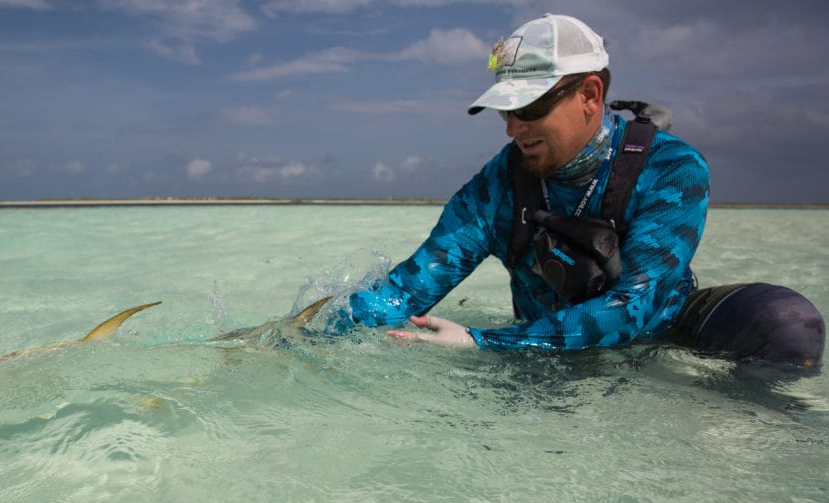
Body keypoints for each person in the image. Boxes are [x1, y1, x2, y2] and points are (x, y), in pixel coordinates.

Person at [332, 14, 824, 369]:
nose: (513, 129)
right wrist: (302, 332)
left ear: (590, 95)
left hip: (665, 329)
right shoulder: (496, 185)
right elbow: (406, 292)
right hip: (548, 354)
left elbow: (636, 305)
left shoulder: (673, 169)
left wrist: (483, 343)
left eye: (528, 108)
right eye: (506, 112)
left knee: (785, 321)